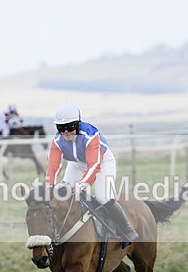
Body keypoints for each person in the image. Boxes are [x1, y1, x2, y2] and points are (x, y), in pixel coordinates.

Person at [45, 103, 139, 248]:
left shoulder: (90, 135)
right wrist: (49, 186)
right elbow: (53, 166)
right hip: (77, 163)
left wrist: (82, 184)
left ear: (78, 124)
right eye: (61, 128)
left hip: (102, 162)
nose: (66, 132)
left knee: (102, 197)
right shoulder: (57, 141)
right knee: (63, 192)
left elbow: (94, 165)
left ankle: (127, 230)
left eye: (70, 127)